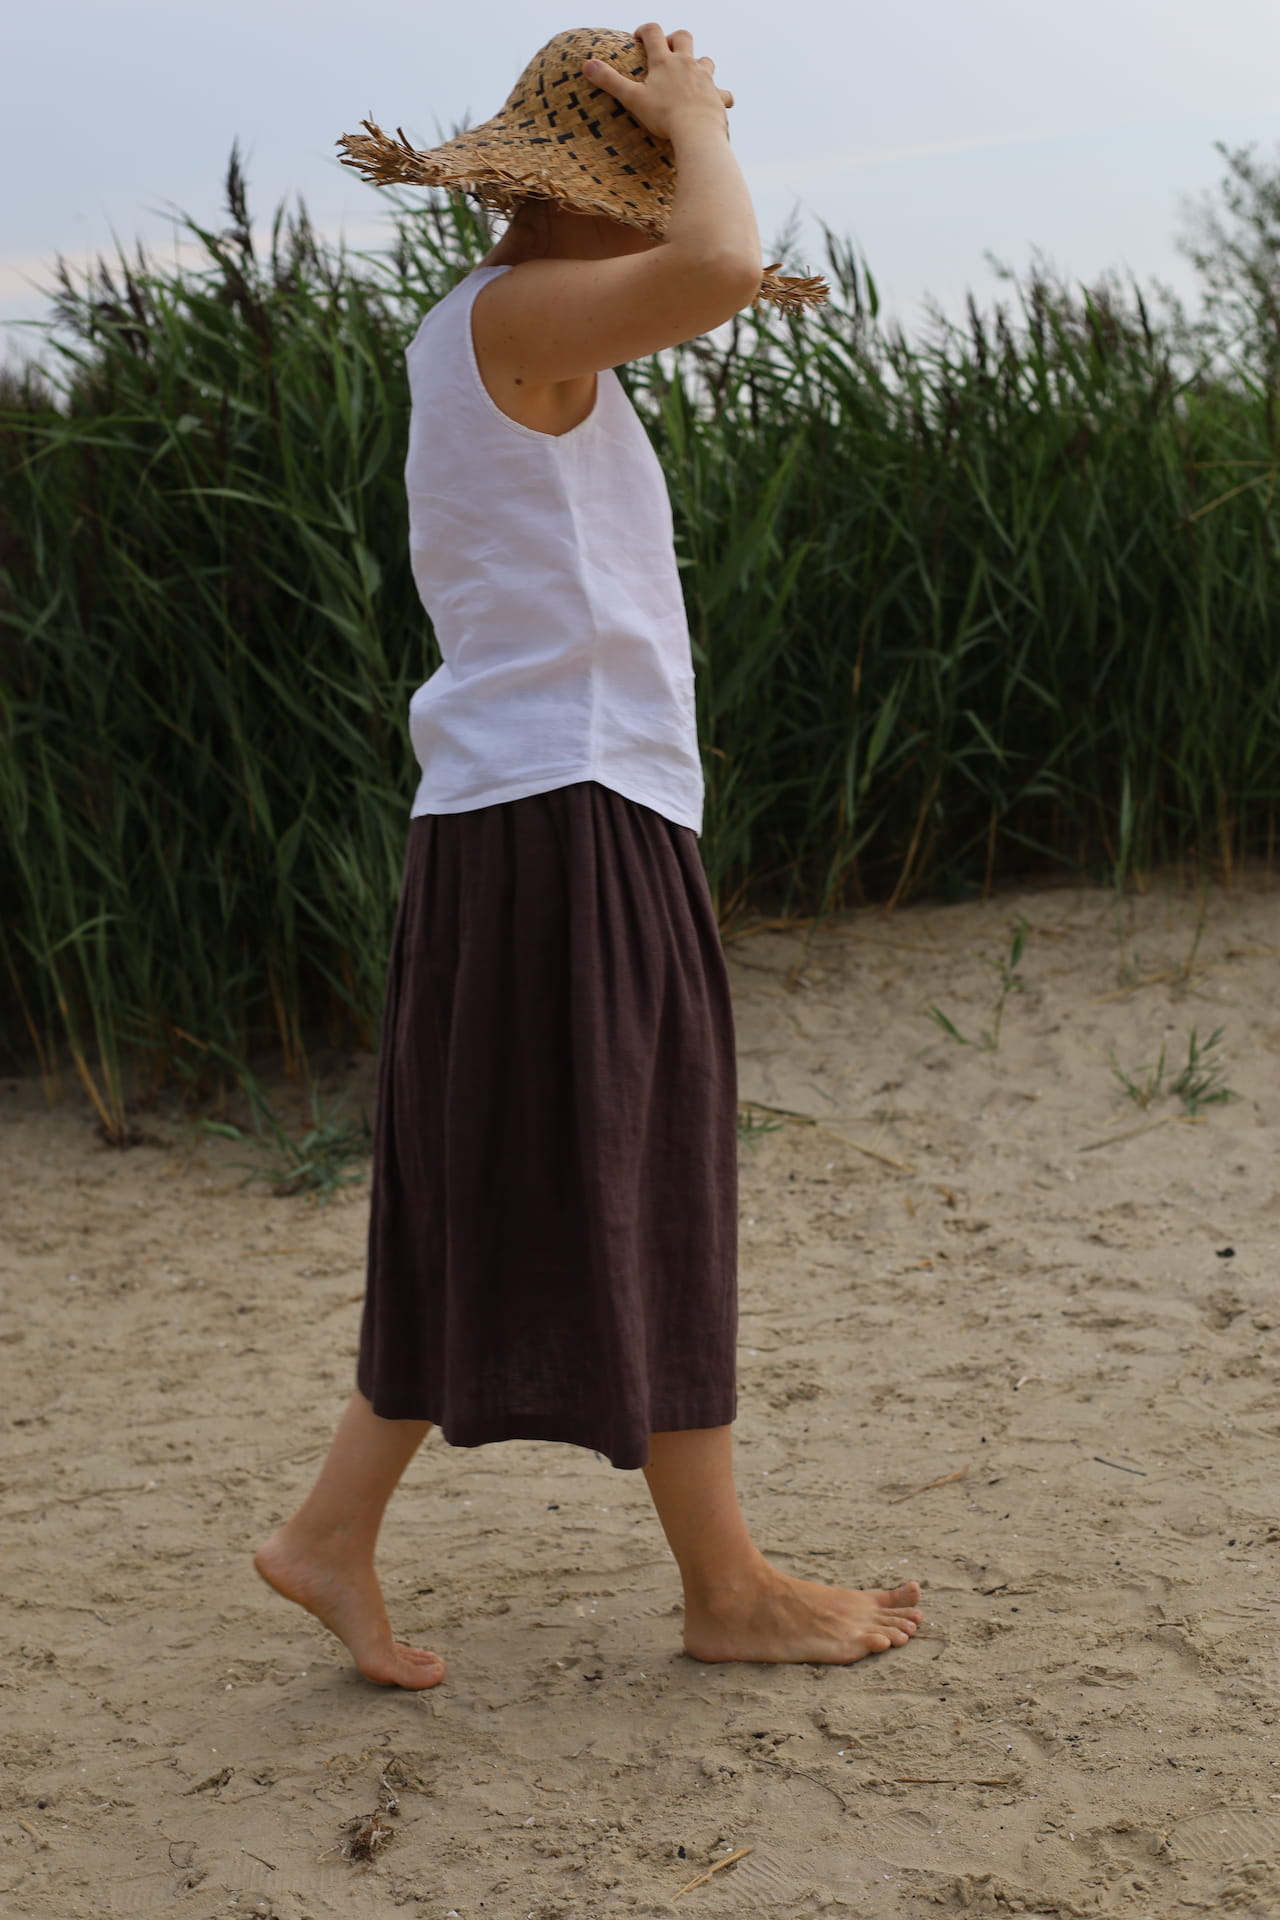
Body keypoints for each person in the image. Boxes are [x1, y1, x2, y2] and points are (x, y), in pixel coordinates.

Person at [254, 22, 923, 1689]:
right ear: (579, 195)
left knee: (507, 1179)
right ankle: (727, 1589)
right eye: (638, 186)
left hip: (546, 808)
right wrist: (695, 123)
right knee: (648, 1173)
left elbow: (701, 272)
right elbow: (723, 263)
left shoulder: (512, 330)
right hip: (565, 810)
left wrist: (682, 143)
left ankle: (333, 1533)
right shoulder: (516, 319)